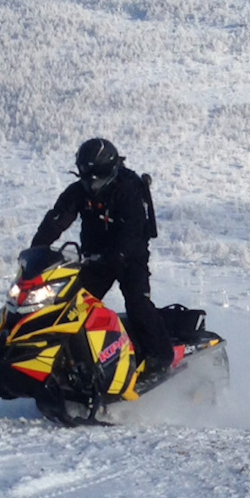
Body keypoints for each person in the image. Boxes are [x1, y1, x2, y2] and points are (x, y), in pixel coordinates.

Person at [31, 137, 173, 370]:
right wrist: (37, 249)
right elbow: (57, 219)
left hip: (129, 258)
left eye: (97, 175)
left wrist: (118, 255)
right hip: (95, 259)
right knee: (71, 304)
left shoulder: (129, 189)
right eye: (87, 176)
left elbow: (133, 230)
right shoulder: (79, 191)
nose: (92, 182)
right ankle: (69, 358)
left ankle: (161, 355)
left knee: (137, 302)